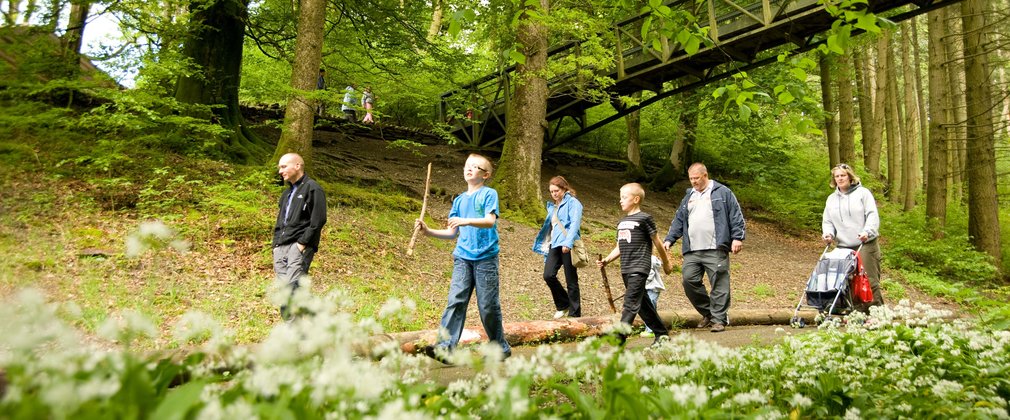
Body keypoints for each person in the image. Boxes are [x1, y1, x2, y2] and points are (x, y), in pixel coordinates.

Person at [414, 154, 511, 363]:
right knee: (455, 301)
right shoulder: (458, 200)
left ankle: (499, 347)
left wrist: (465, 221)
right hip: (462, 258)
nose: (469, 169)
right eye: (468, 165)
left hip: (486, 258)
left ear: (486, 175)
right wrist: (428, 231)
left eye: (476, 167)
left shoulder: (489, 194)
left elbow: (489, 221)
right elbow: (452, 233)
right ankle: (445, 348)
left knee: (487, 305)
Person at [663, 163, 745, 333]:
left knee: (719, 283)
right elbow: (679, 219)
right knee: (689, 280)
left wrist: (737, 237)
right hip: (692, 249)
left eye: (696, 178)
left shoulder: (722, 193)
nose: (693, 182)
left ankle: (719, 320)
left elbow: (736, 215)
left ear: (705, 175)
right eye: (691, 178)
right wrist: (670, 239)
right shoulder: (689, 196)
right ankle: (709, 313)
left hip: (716, 247)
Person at [597, 183, 673, 346]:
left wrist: (666, 262)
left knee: (630, 302)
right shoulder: (621, 222)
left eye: (624, 197)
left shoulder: (645, 218)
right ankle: (662, 335)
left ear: (636, 199)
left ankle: (619, 336)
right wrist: (607, 260)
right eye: (620, 197)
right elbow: (619, 246)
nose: (620, 200)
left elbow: (657, 241)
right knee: (643, 305)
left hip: (640, 267)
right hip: (626, 267)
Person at [273, 153, 327, 320]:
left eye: (284, 166)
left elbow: (318, 220)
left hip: (298, 247)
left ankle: (293, 333)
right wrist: (275, 245)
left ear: (297, 166)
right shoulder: (286, 194)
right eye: (279, 168)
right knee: (286, 290)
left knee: (291, 289)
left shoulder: (313, 188)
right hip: (280, 248)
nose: (280, 171)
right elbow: (280, 221)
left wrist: (302, 244)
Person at [821, 163, 883, 310]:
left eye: (843, 175)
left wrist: (868, 231)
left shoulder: (863, 194)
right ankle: (855, 313)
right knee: (846, 280)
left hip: (865, 243)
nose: (840, 178)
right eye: (837, 176)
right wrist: (828, 234)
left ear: (850, 177)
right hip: (843, 245)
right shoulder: (831, 199)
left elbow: (872, 215)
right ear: (834, 179)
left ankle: (877, 313)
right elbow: (828, 221)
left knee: (868, 279)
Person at [532, 176, 584, 319]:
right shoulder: (553, 206)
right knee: (548, 275)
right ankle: (563, 304)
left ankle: (575, 314)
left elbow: (574, 224)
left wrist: (568, 243)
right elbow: (551, 228)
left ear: (564, 189)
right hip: (554, 245)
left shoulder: (573, 203)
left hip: (568, 244)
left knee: (571, 280)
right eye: (551, 191)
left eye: (556, 190)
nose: (554, 194)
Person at [640, 255, 666, 337]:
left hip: (652, 287)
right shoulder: (645, 258)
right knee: (647, 307)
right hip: (647, 288)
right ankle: (650, 329)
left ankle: (650, 330)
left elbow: (650, 274)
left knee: (650, 307)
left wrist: (639, 283)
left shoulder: (648, 258)